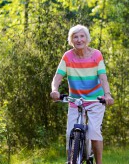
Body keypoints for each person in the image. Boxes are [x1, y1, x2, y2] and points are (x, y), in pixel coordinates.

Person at [50, 24, 114, 164]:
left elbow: (103, 77)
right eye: (75, 37)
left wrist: (107, 95)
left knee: (94, 133)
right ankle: (71, 160)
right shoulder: (67, 56)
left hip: (96, 100)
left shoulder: (96, 55)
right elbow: (58, 77)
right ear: (71, 40)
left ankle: (99, 163)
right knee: (69, 134)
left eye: (82, 36)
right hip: (75, 101)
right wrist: (54, 90)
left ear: (87, 38)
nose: (79, 40)